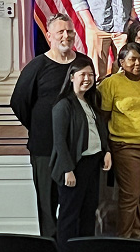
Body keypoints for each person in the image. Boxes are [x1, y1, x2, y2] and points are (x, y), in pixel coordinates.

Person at [11, 15, 91, 237]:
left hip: (77, 150)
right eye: (60, 32)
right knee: (47, 205)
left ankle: (73, 250)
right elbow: (19, 102)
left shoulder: (83, 63)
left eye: (70, 31)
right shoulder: (37, 66)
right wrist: (39, 125)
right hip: (45, 148)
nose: (66, 36)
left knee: (75, 206)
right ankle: (49, 251)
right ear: (49, 36)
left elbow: (92, 100)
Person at [99, 42, 140, 238]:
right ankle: (125, 241)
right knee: (130, 196)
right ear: (121, 62)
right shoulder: (111, 83)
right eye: (132, 59)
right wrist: (106, 148)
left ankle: (137, 238)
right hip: (126, 146)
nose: (138, 63)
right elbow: (103, 117)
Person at [50, 59, 111, 252]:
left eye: (90, 75)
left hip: (92, 164)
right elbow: (59, 141)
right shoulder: (63, 105)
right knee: (69, 214)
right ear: (71, 77)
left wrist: (106, 151)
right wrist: (68, 169)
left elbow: (100, 130)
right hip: (74, 167)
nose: (87, 79)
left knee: (88, 211)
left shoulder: (91, 102)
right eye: (82, 75)